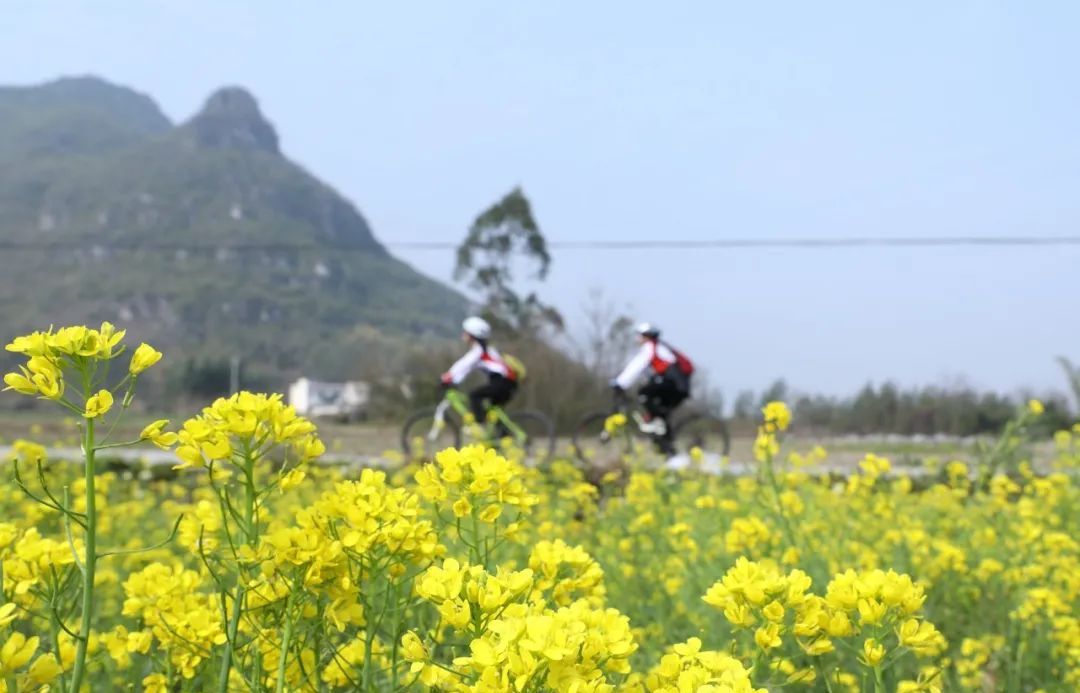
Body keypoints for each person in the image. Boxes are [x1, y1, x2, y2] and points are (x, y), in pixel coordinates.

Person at [611, 322, 693, 454]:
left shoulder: (650, 347)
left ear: (646, 336)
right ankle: (666, 447)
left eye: (640, 335)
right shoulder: (658, 348)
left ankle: (661, 434)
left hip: (675, 383)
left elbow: (637, 366)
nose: (638, 338)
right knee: (658, 411)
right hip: (677, 385)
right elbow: (648, 372)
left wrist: (621, 382)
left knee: (644, 394)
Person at [441, 316, 519, 426]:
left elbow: (464, 364)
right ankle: (502, 439)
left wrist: (448, 376)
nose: (463, 334)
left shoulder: (479, 351)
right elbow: (467, 368)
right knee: (493, 415)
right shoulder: (485, 350)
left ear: (473, 335)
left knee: (474, 395)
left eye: (465, 332)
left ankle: (480, 425)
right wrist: (455, 379)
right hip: (507, 382)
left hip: (503, 382)